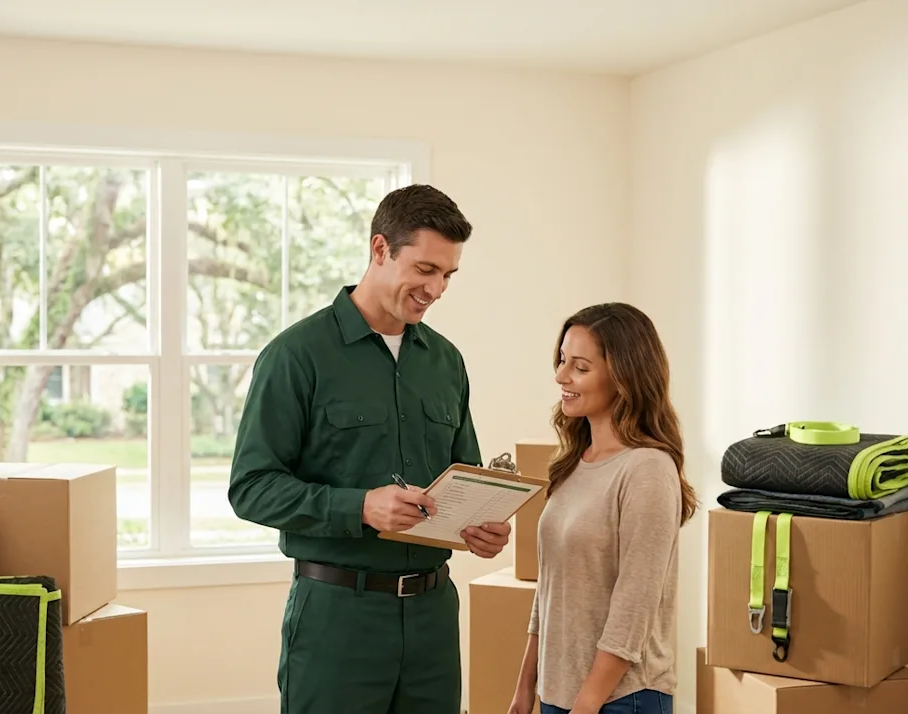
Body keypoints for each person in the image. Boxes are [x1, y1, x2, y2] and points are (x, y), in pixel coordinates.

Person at [227, 184, 511, 714]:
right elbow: (251, 489)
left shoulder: (445, 362)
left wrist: (482, 526)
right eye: (425, 269)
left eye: (448, 275)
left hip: (433, 618)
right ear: (380, 249)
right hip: (337, 618)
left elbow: (465, 476)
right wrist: (359, 506)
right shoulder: (296, 356)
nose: (437, 289)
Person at [507, 303, 697, 714]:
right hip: (558, 695)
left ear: (623, 376)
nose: (561, 376)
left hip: (621, 700)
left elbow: (635, 605)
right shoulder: (575, 461)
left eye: (579, 366)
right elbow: (550, 587)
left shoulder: (646, 469)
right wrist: (526, 686)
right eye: (561, 361)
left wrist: (588, 703)